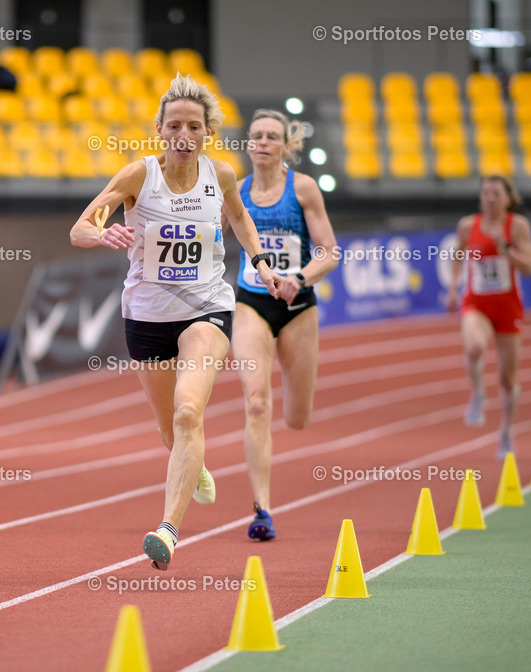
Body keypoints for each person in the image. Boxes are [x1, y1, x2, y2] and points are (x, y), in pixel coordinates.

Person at [70, 73, 293, 570]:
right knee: (169, 429)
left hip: (207, 308)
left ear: (207, 133)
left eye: (195, 126)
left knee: (189, 413)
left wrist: (260, 263)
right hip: (147, 315)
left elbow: (239, 218)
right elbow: (80, 227)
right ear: (160, 130)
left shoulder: (223, 175)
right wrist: (100, 235)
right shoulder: (137, 176)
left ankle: (168, 530)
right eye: (175, 126)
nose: (184, 135)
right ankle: (192, 465)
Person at [228, 110, 339, 540]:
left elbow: (329, 251)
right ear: (248, 144)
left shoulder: (303, 188)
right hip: (251, 302)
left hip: (298, 307)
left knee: (296, 418)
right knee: (256, 401)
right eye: (256, 136)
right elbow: (209, 239)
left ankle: (266, 499)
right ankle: (262, 510)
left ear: (284, 145)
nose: (262, 142)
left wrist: (299, 279)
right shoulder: (235, 192)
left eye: (272, 136)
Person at [447, 176, 531, 459]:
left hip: (508, 308)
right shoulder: (467, 225)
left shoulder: (517, 227)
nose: (490, 199)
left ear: (508, 199)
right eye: (485, 193)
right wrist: (453, 287)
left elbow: (530, 268)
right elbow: (458, 254)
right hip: (476, 303)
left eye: (496, 194)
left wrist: (505, 249)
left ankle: (506, 431)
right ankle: (477, 393)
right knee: (474, 346)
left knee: (508, 379)